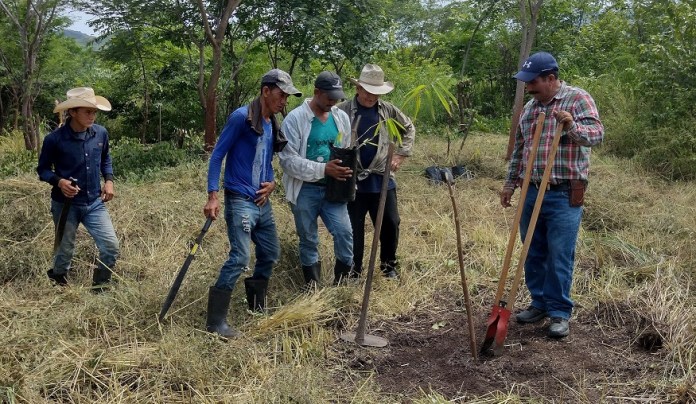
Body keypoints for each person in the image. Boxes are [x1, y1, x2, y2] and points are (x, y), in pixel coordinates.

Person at [501, 52, 604, 338]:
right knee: (532, 250)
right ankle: (540, 303)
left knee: (560, 253)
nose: (528, 87)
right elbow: (520, 150)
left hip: (563, 193)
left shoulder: (578, 99)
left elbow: (597, 136)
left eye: (532, 82)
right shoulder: (531, 109)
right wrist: (510, 184)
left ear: (550, 78)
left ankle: (559, 312)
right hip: (531, 190)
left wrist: (571, 126)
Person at [204, 69, 302, 338]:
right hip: (240, 200)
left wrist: (271, 183)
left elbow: (265, 161)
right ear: (266, 91)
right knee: (239, 257)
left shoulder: (271, 122)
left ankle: (256, 305)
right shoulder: (241, 118)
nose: (284, 101)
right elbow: (217, 156)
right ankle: (215, 322)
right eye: (281, 95)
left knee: (270, 253)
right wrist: (213, 196)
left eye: (287, 97)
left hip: (262, 202)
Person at [37, 87, 119, 293]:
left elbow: (105, 159)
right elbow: (43, 170)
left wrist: (109, 181)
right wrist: (59, 181)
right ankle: (58, 284)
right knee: (64, 250)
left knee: (111, 246)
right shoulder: (54, 139)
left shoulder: (100, 133)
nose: (92, 116)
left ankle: (100, 288)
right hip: (65, 205)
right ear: (72, 112)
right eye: (87, 111)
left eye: (94, 112)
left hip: (94, 202)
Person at [337, 64, 415, 279]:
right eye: (368, 91)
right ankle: (354, 270)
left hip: (381, 177)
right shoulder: (343, 110)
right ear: (359, 89)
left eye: (376, 92)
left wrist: (400, 155)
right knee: (354, 226)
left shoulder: (387, 110)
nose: (371, 96)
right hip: (352, 178)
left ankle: (389, 266)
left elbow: (408, 127)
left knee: (391, 222)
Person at [279, 71, 354, 288]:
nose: (333, 102)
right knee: (308, 238)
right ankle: (312, 288)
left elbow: (344, 149)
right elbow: (288, 160)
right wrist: (323, 169)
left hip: (334, 189)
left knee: (344, 233)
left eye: (337, 98)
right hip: (305, 190)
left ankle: (341, 286)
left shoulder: (341, 118)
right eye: (329, 97)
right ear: (316, 92)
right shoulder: (295, 119)